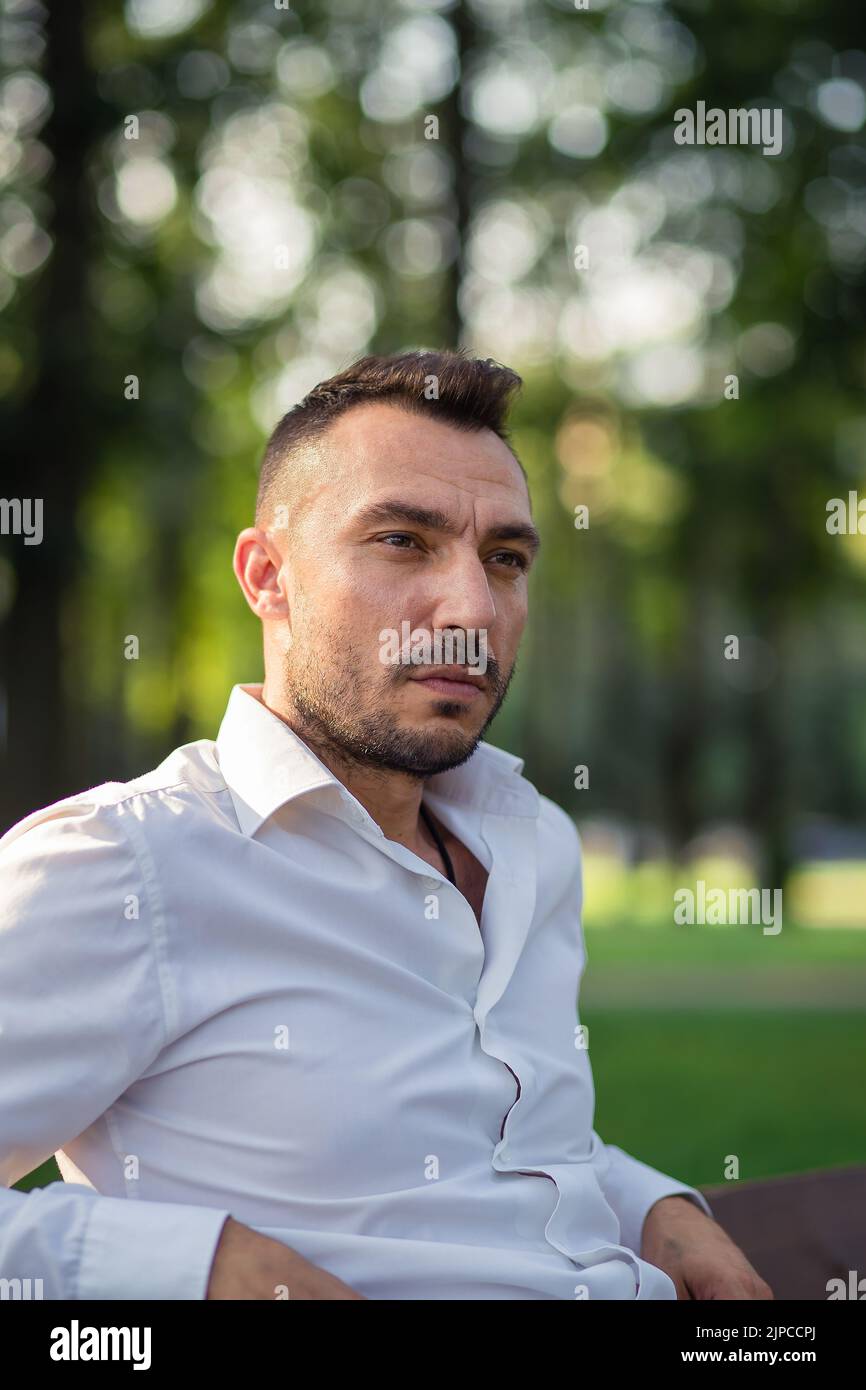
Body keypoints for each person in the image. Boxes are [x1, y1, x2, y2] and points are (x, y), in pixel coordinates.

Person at [0, 349, 773, 1300]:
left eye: (506, 558)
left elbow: (503, 1141)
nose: (472, 609)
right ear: (268, 577)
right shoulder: (125, 867)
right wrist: (197, 1269)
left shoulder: (533, 844)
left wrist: (655, 1208)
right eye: (404, 540)